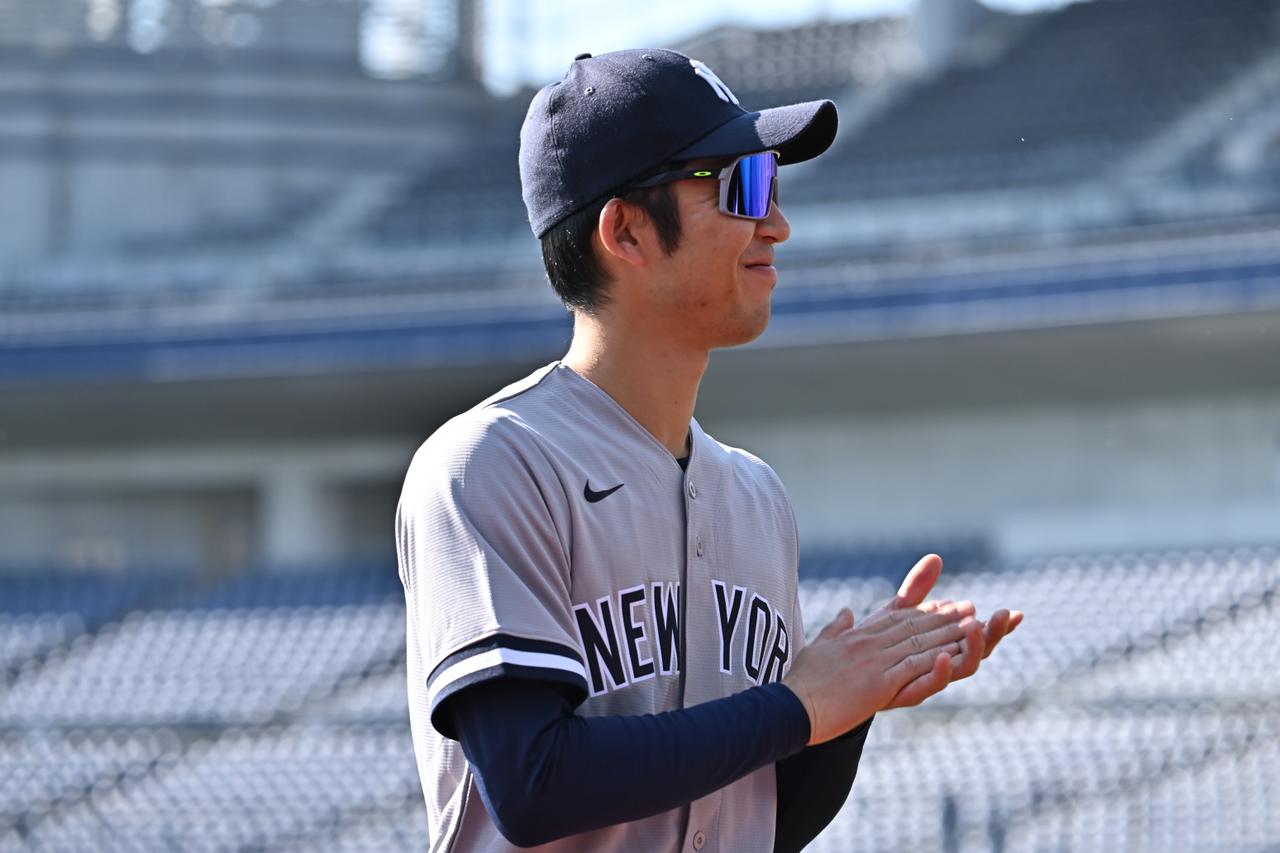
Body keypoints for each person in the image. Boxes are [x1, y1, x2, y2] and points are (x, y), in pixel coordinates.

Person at [395, 48, 1022, 852]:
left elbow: (760, 817)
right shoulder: (493, 462)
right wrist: (799, 705)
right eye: (744, 186)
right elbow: (534, 782)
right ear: (625, 230)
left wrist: (853, 698)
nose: (777, 225)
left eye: (773, 185)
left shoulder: (755, 496)